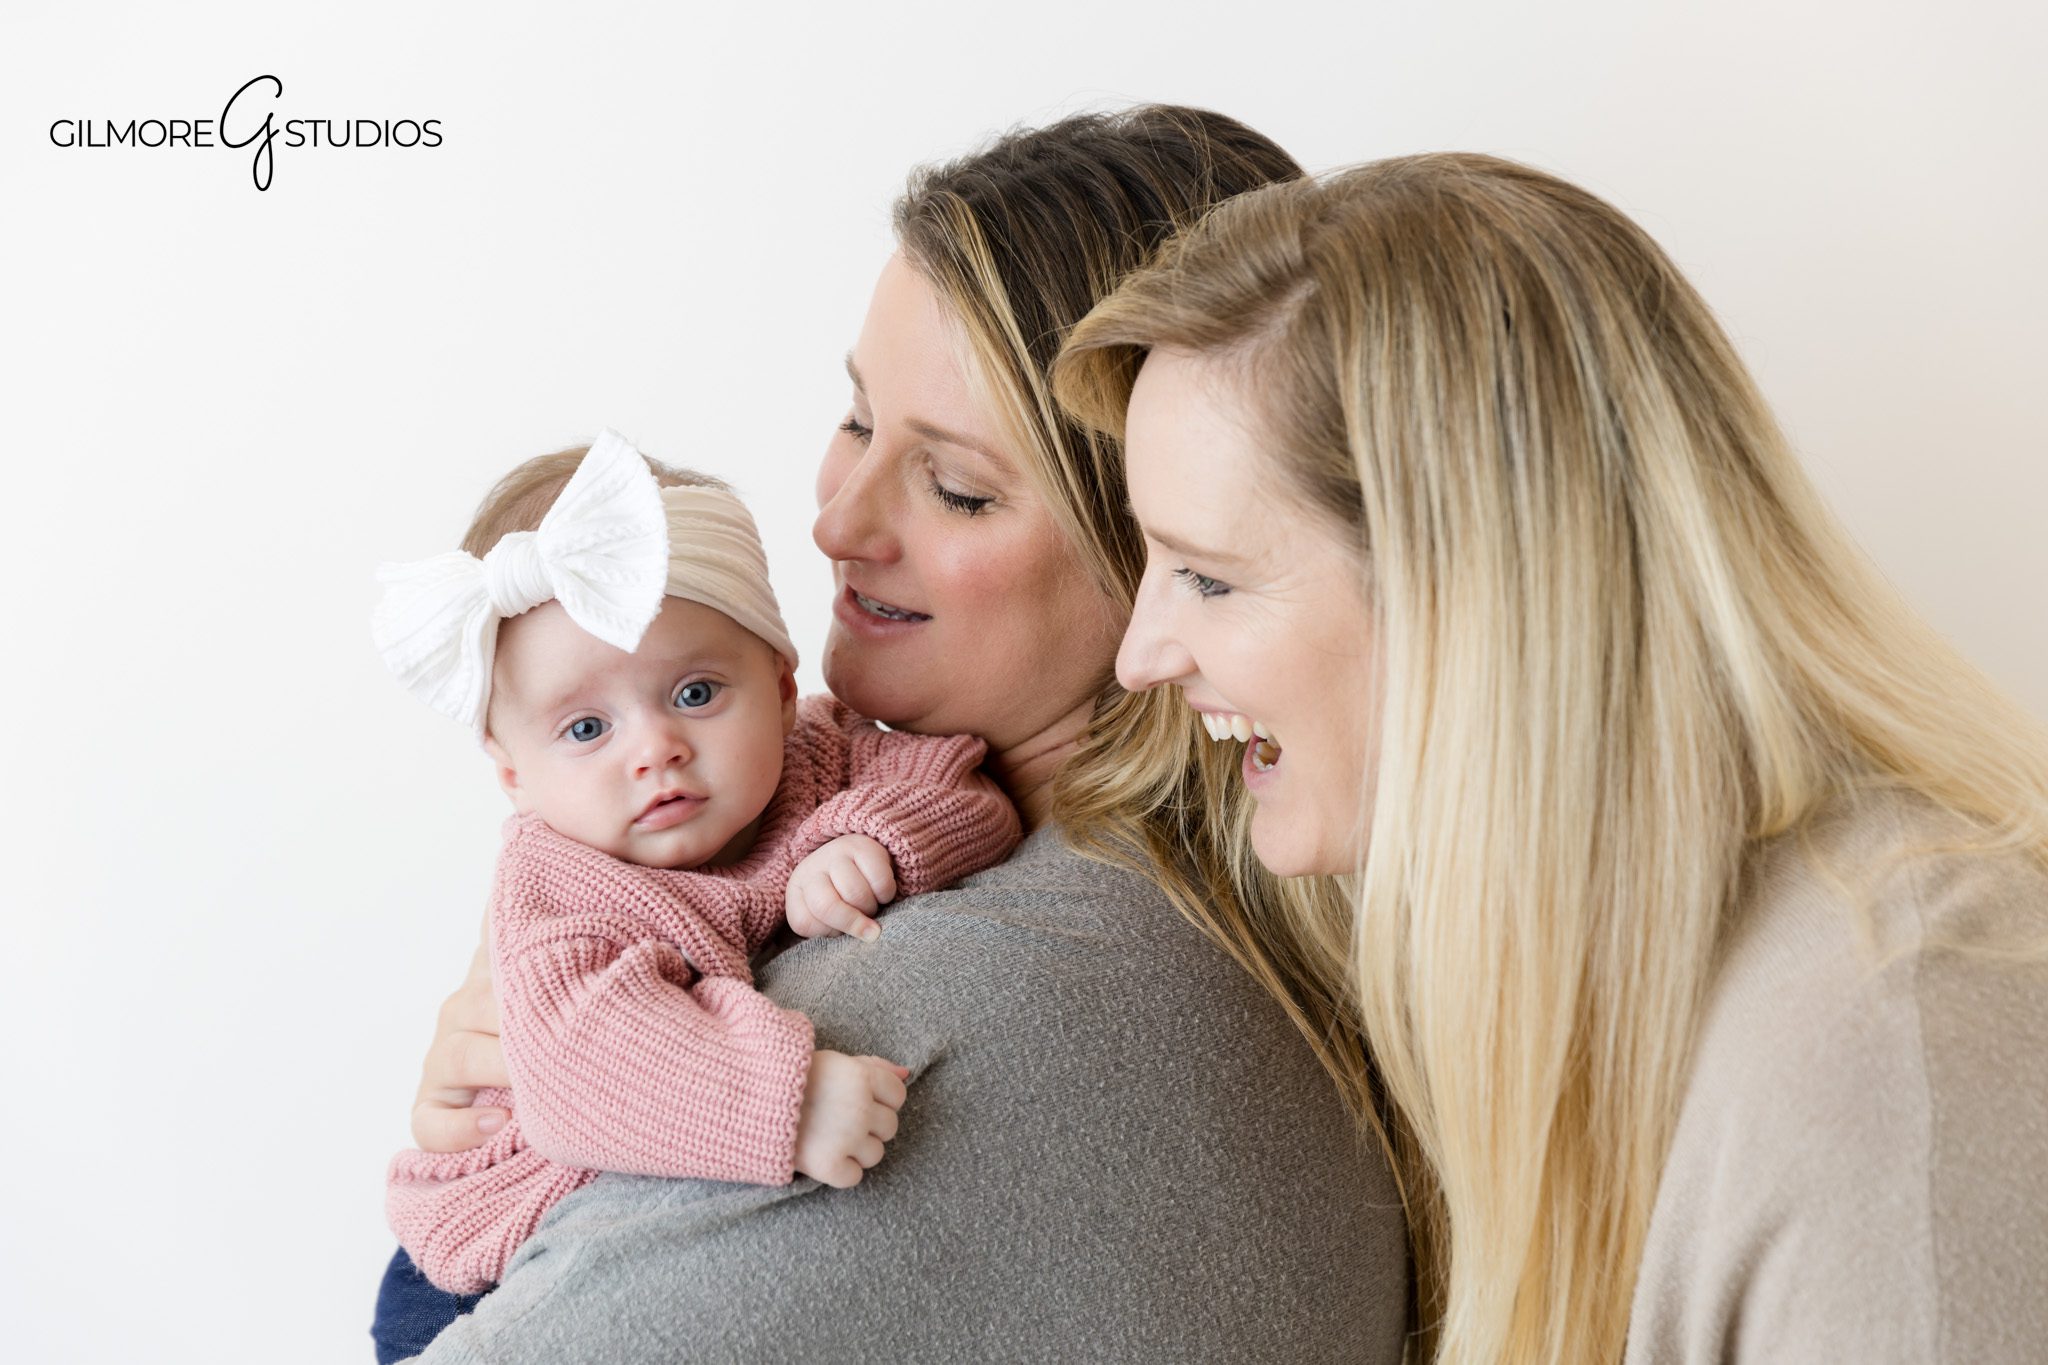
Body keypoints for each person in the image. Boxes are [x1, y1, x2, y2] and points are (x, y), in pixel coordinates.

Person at [383, 110, 1411, 1364]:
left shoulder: (966, 986)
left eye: (958, 486)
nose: (837, 522)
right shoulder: (1135, 897)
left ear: (1163, 537)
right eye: (858, 419)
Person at [1059, 152, 2048, 1363]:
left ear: (1468, 600)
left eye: (1208, 575)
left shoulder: (1894, 1058)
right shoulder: (1569, 985)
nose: (1142, 654)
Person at [367, 430, 1020, 1357]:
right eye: (587, 726)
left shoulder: (823, 759)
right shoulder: (558, 884)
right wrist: (785, 1100)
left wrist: (869, 834)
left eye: (697, 691)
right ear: (513, 774)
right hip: (477, 1270)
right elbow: (583, 1065)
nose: (655, 747)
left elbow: (962, 788)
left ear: (782, 682)